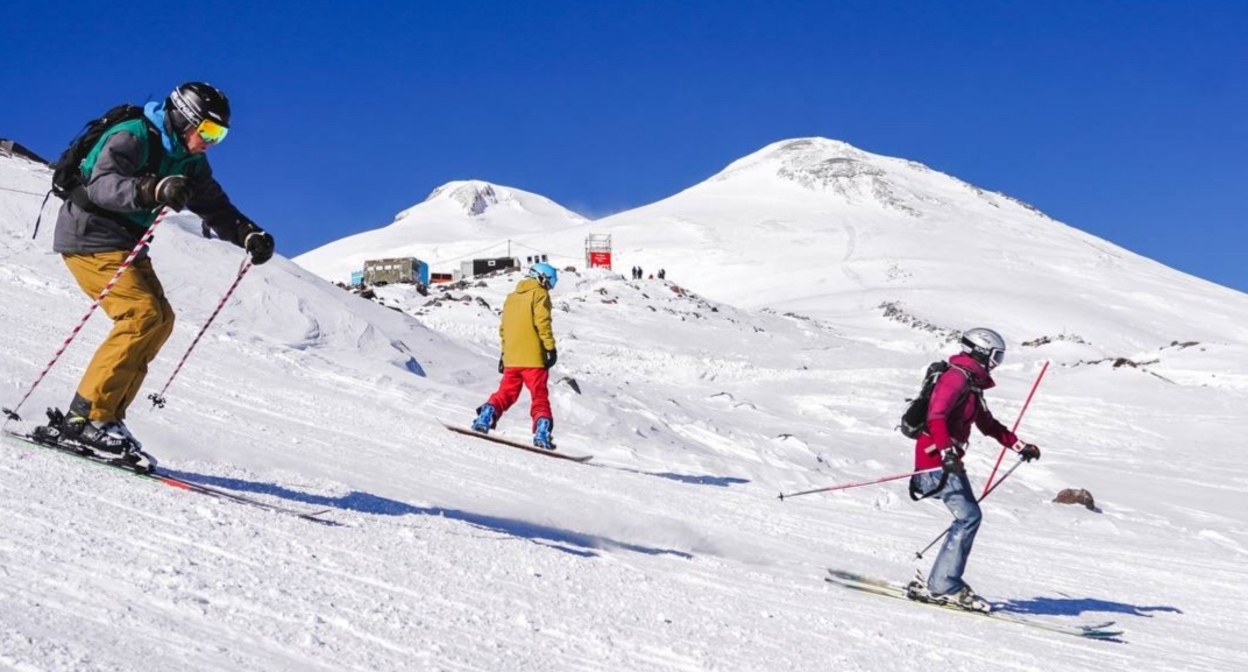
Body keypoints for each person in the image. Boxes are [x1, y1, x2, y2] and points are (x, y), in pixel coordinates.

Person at [51, 82, 275, 454]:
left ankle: (107, 416)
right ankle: (84, 416)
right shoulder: (133, 136)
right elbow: (101, 186)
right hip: (88, 234)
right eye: (208, 131)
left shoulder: (191, 161)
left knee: (160, 319)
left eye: (220, 135)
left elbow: (216, 207)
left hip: (125, 241)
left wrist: (248, 234)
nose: (211, 142)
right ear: (184, 119)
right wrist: (151, 189)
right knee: (141, 315)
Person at [905, 327, 1041, 611]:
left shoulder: (971, 383)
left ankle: (942, 582)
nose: (997, 362)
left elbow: (987, 424)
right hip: (935, 461)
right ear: (980, 351)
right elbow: (936, 415)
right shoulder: (955, 378)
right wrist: (945, 451)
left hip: (946, 460)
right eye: (996, 356)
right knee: (968, 517)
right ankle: (943, 585)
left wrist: (1019, 445)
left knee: (968, 518)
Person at [471, 263, 560, 449]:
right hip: (534, 358)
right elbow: (542, 323)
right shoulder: (540, 294)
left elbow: (504, 328)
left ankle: (486, 414)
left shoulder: (511, 298)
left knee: (506, 393)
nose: (550, 285)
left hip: (512, 357)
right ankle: (542, 432)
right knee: (539, 396)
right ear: (541, 277)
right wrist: (550, 348)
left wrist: (504, 355)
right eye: (550, 280)